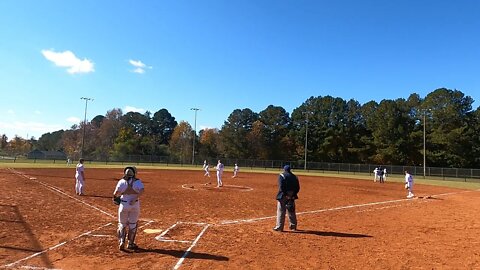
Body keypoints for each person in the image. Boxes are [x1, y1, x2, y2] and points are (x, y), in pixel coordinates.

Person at [113, 166, 145, 251]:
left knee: (122, 224)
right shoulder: (137, 182)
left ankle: (121, 241)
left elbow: (115, 193)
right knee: (133, 224)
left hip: (123, 204)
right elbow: (142, 190)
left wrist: (116, 198)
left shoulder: (121, 181)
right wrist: (134, 198)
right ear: (134, 173)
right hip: (134, 204)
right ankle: (130, 243)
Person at [273, 165, 300, 232]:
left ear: (284, 169)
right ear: (290, 170)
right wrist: (293, 195)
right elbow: (298, 187)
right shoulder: (294, 176)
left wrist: (285, 194)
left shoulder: (282, 175)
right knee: (291, 210)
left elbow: (281, 186)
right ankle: (293, 226)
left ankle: (279, 227)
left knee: (281, 211)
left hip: (283, 195)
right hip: (292, 195)